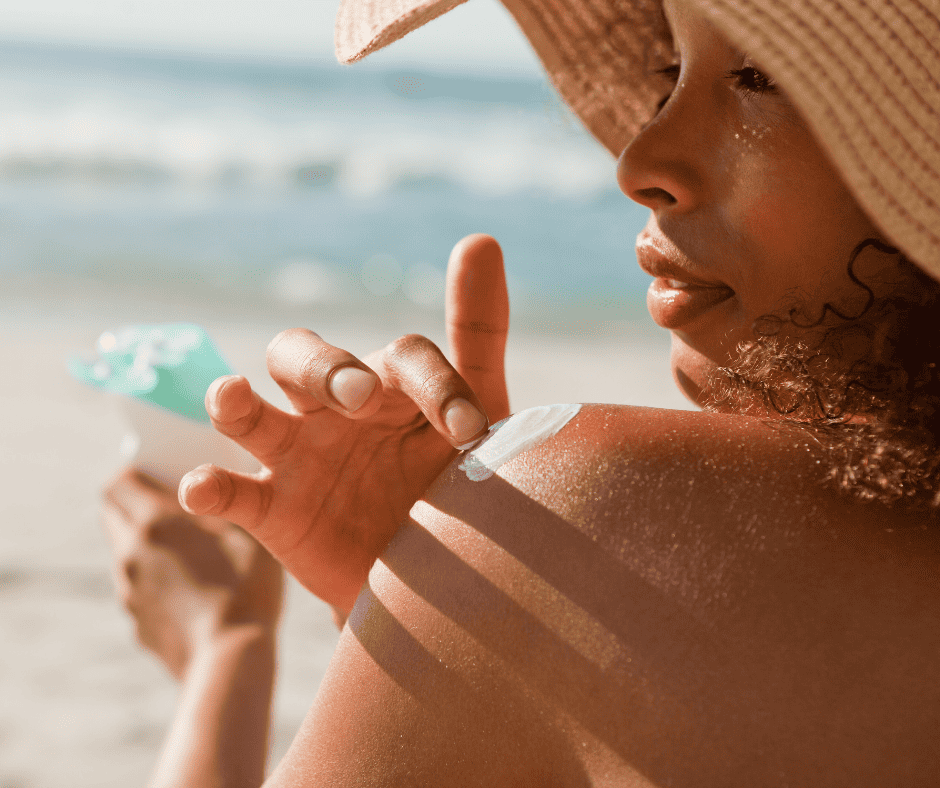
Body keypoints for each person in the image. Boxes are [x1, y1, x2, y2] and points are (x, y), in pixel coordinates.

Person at [103, 0, 940, 784]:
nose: (640, 159)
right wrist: (433, 623)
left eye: (762, 77)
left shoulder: (600, 513)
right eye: (671, 73)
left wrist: (226, 652)